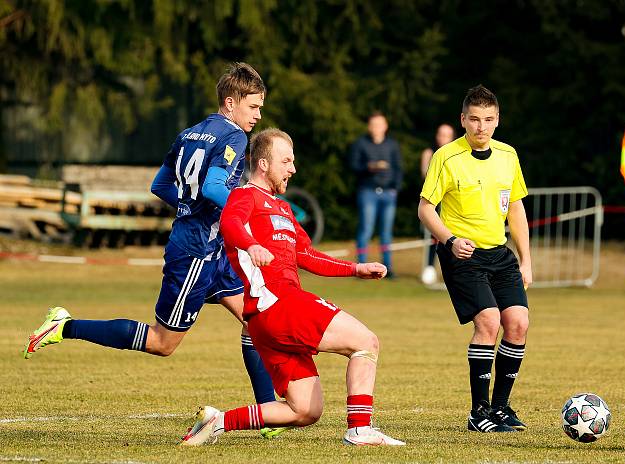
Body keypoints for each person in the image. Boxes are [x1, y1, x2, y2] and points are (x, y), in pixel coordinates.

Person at [24, 63, 285, 438]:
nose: (258, 115)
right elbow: (213, 187)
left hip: (213, 246)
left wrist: (188, 204)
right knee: (163, 344)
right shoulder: (234, 138)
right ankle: (65, 326)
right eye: (253, 107)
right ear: (230, 103)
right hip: (195, 251)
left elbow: (160, 184)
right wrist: (247, 208)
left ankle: (266, 414)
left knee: (255, 318)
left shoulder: (190, 134)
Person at [180, 128, 405, 446]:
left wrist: (356, 268)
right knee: (366, 342)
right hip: (277, 302)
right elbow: (231, 224)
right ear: (262, 164)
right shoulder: (244, 196)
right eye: (286, 161)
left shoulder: (283, 209)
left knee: (306, 410)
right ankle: (360, 429)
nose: (293, 168)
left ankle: (218, 421)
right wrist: (251, 245)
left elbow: (307, 255)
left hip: (267, 320)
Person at [418, 85, 532, 433]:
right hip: (461, 254)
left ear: (497, 120)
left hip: (499, 253)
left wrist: (526, 259)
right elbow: (425, 209)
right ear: (463, 120)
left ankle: (501, 408)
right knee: (489, 322)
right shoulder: (446, 157)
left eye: (489, 120)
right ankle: (478, 412)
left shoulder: (508, 155)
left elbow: (515, 208)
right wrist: (450, 240)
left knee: (518, 324)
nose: (481, 127)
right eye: (475, 120)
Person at [349, 111, 403, 277]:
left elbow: (398, 168)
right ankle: (361, 266)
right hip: (368, 192)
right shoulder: (360, 144)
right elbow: (353, 166)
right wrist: (369, 167)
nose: (377, 128)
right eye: (374, 125)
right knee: (366, 228)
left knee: (386, 232)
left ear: (385, 126)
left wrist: (395, 188)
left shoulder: (392, 145)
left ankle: (388, 267)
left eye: (380, 124)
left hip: (388, 193)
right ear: (369, 127)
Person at [420, 123, 455, 285]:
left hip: (453, 202)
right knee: (434, 235)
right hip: (435, 201)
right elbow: (426, 176)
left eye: (447, 135)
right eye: (441, 134)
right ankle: (429, 267)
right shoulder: (430, 153)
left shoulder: (458, 154)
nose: (444, 138)